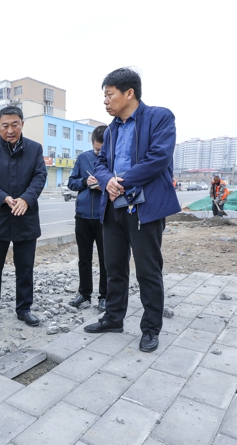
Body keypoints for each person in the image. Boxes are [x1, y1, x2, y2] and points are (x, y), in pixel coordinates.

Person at [87, 67, 181, 353]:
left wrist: (122, 182)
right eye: (104, 96)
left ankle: (151, 328)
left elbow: (158, 158)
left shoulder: (160, 118)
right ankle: (113, 318)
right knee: (114, 267)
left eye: (109, 94)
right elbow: (100, 163)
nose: (105, 101)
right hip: (113, 206)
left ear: (129, 93)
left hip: (145, 207)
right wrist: (107, 180)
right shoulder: (112, 129)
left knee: (147, 271)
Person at [0, 106, 47, 329]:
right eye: (5, 125)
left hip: (25, 216)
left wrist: (26, 199)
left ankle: (24, 308)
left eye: (14, 124)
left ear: (22, 124)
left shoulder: (34, 149)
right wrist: (4, 197)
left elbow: (39, 176)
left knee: (25, 267)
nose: (10, 130)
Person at [67, 125, 108, 312]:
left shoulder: (114, 159)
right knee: (84, 258)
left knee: (105, 260)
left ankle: (105, 296)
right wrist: (85, 182)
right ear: (92, 143)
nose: (99, 153)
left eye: (102, 150)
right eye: (96, 149)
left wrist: (104, 184)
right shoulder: (83, 158)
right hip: (82, 215)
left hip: (104, 216)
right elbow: (71, 182)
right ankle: (84, 293)